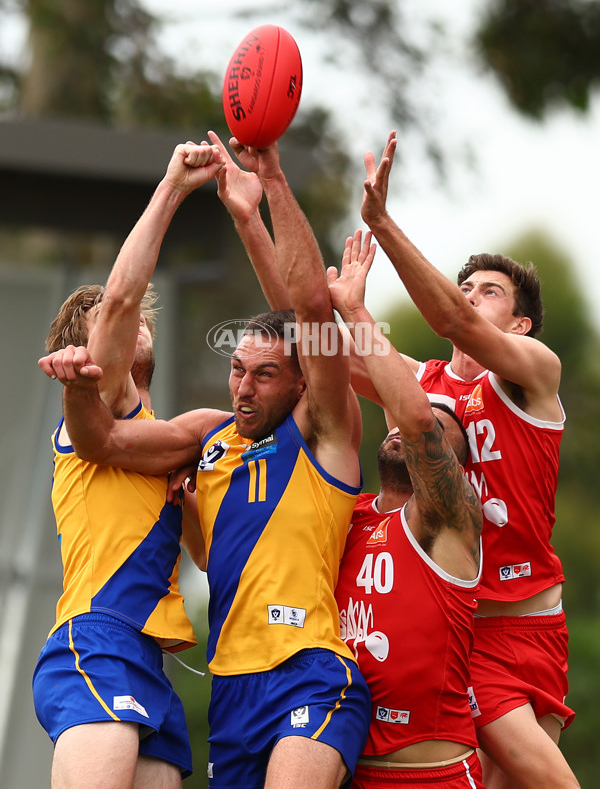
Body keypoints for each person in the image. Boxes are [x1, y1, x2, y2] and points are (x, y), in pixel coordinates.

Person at [38, 137, 372, 789]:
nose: (243, 386)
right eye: (236, 369)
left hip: (272, 666)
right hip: (121, 646)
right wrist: (81, 390)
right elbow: (100, 436)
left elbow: (306, 323)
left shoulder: (237, 438)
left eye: (263, 372)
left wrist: (257, 206)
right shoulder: (185, 434)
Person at [359, 131, 579, 789]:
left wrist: (384, 225)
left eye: (490, 290)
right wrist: (263, 206)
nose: (469, 293)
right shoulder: (419, 384)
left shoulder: (533, 374)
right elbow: (324, 340)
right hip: (468, 631)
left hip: (538, 626)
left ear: (519, 326)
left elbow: (453, 318)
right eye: (467, 284)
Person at [33, 141, 223, 789]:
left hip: (148, 658)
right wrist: (171, 188)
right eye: (107, 318)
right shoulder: (99, 401)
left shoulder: (163, 438)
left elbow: (210, 558)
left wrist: (191, 497)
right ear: (83, 351)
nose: (129, 314)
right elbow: (118, 300)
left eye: (137, 313)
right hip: (98, 639)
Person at [328, 230, 484, 789]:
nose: (404, 423)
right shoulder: (348, 514)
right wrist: (257, 209)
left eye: (439, 428)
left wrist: (356, 310)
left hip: (432, 775)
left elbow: (417, 420)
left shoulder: (451, 518)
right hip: (350, 771)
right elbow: (314, 354)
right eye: (393, 416)